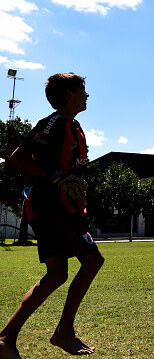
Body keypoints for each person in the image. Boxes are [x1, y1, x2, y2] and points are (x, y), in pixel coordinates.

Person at [0, 73, 104, 358]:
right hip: (51, 206)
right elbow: (17, 158)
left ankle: (6, 339)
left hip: (59, 206)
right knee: (93, 260)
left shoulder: (73, 126)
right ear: (69, 94)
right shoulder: (53, 124)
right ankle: (63, 332)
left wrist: (74, 178)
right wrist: (57, 177)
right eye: (83, 89)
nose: (87, 95)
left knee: (56, 275)